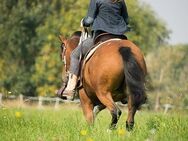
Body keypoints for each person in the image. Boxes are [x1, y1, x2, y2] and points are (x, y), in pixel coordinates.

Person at [62, 0, 129, 100]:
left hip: (101, 36)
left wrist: (83, 21)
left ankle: (70, 88)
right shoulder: (120, 0)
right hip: (120, 37)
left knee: (75, 55)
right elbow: (126, 20)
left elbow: (89, 20)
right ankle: (136, 88)